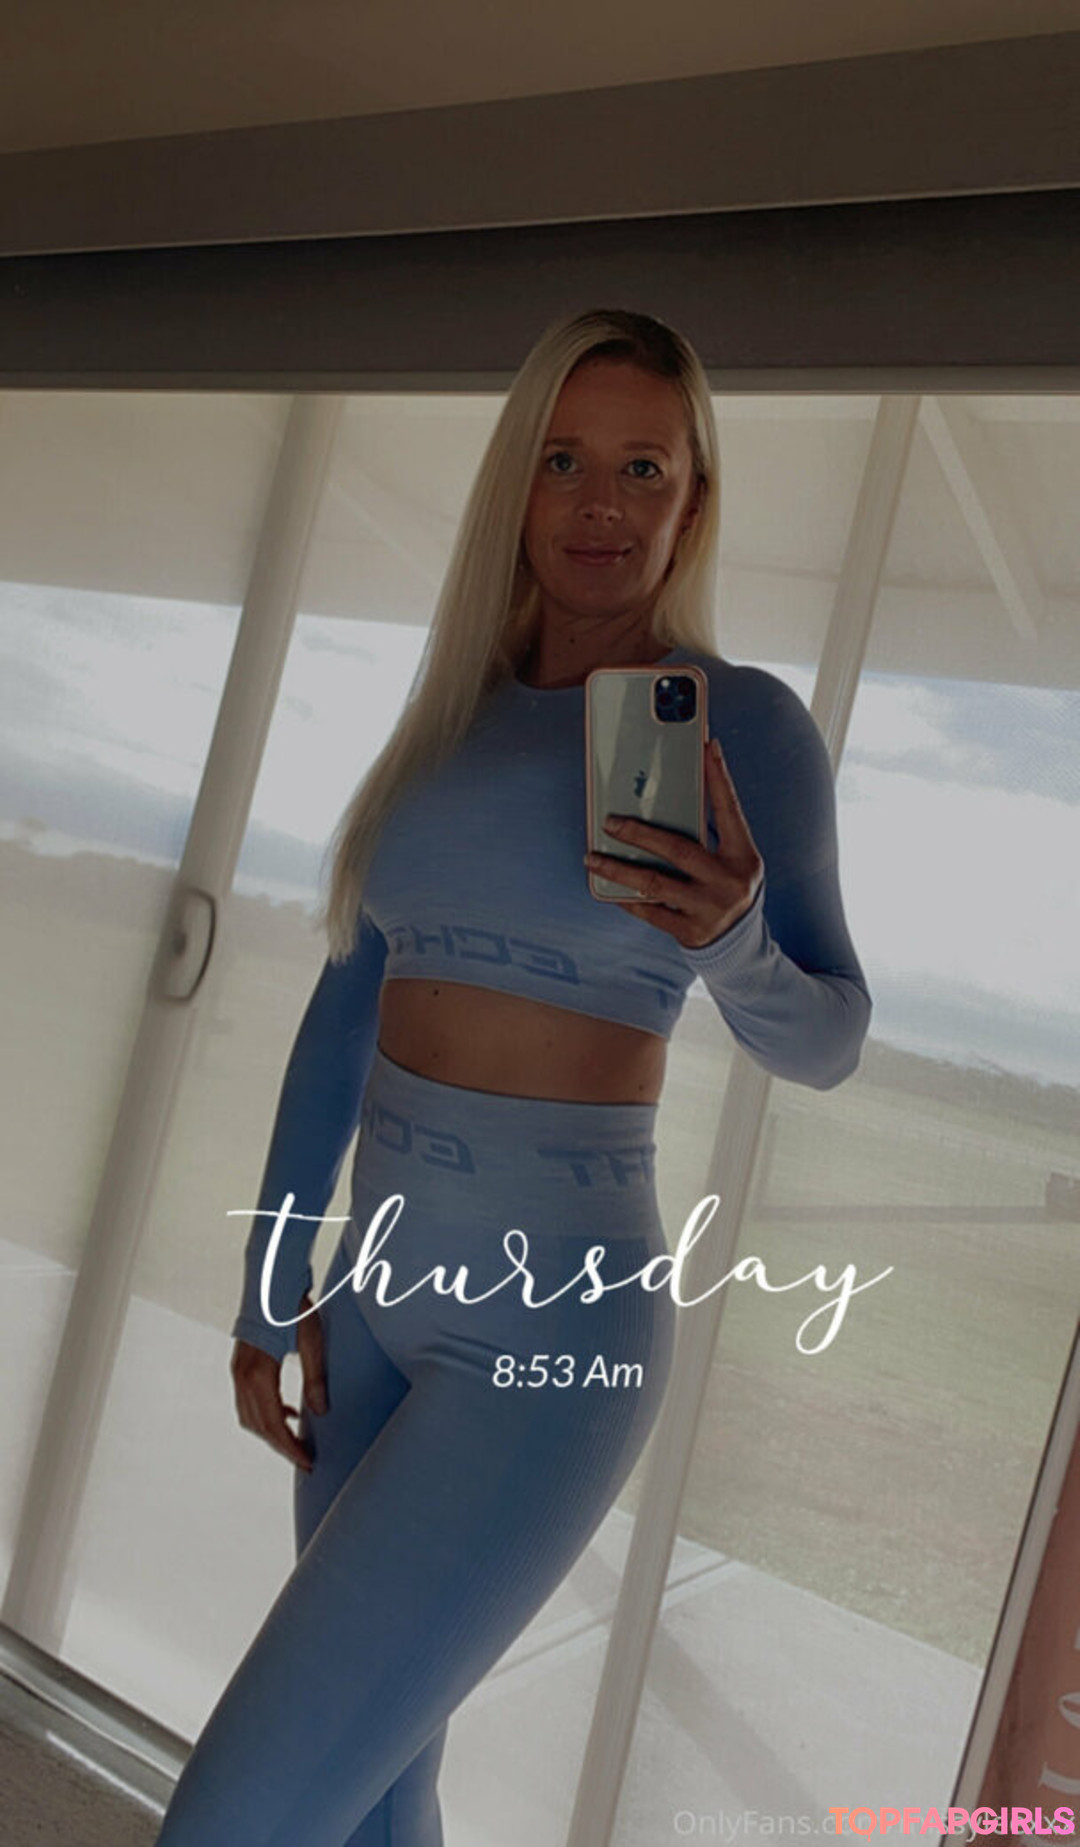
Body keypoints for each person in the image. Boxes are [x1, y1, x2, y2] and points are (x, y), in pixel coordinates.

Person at [153, 307, 871, 1847]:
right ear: (517, 483)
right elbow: (345, 1015)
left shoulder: (743, 727)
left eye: (641, 468)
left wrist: (735, 941)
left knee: (234, 1818)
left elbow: (830, 1040)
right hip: (373, 1309)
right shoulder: (452, 722)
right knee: (376, 1795)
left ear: (693, 498)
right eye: (563, 461)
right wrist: (270, 1292)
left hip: (554, 1335)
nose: (600, 506)